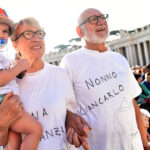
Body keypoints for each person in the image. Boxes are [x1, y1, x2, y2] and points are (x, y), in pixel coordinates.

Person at [60, 8, 149, 150]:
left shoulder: (120, 59)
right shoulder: (70, 61)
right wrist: (69, 116)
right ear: (80, 32)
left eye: (103, 18)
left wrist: (144, 144)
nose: (101, 22)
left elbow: (132, 103)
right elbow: (61, 105)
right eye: (93, 19)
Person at [9, 17, 90, 150]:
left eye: (39, 33)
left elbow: (68, 116)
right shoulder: (9, 82)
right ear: (15, 45)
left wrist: (74, 132)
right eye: (28, 34)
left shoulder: (61, 74)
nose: (36, 38)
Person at [0, 8, 43, 150]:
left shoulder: (3, 58)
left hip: (8, 99)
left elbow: (9, 74)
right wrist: (16, 69)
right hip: (4, 102)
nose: (2, 34)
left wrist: (17, 69)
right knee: (35, 130)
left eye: (5, 31)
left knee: (14, 140)